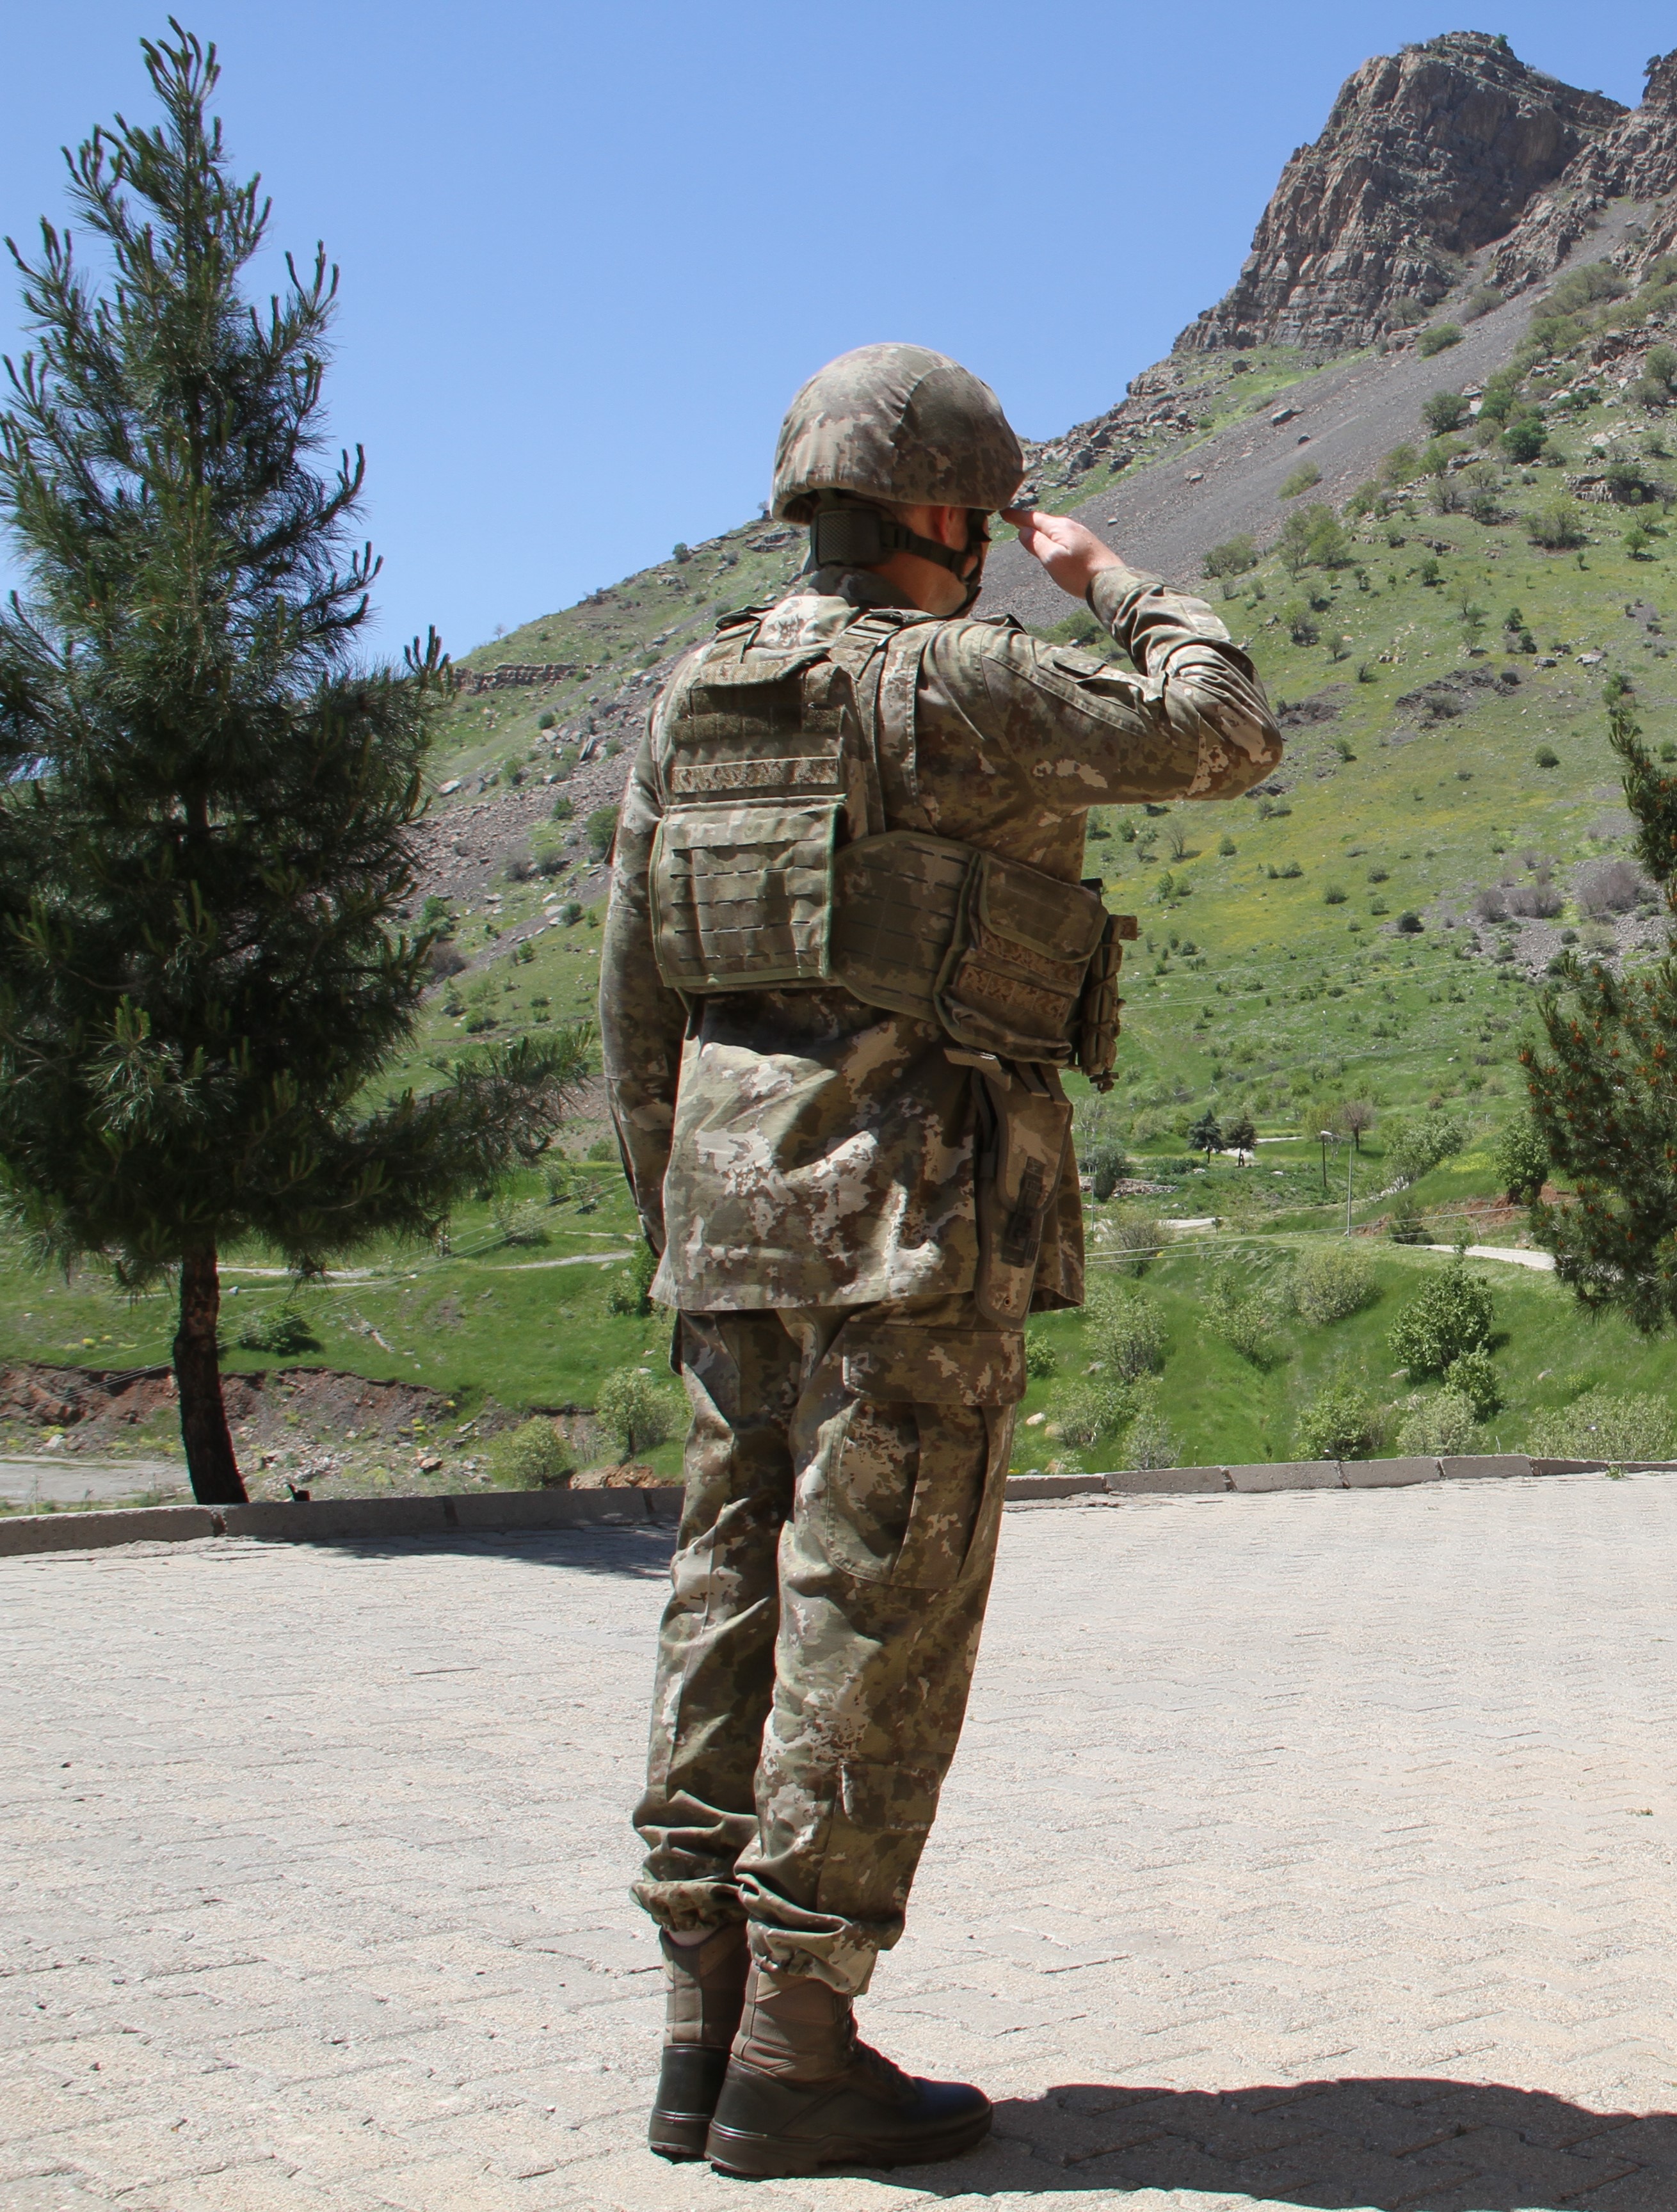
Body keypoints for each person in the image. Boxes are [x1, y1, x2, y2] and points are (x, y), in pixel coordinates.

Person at [599, 342, 1280, 2176]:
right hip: (914, 1224)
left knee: (723, 1587)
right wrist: (1120, 581)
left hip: (732, 1228)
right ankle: (797, 2042)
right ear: (926, 508)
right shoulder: (960, 684)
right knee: (874, 1610)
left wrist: (678, 1205)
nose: (987, 540)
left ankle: (698, 2016)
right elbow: (1225, 730)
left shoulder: (693, 695)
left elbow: (637, 993)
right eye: (976, 511)